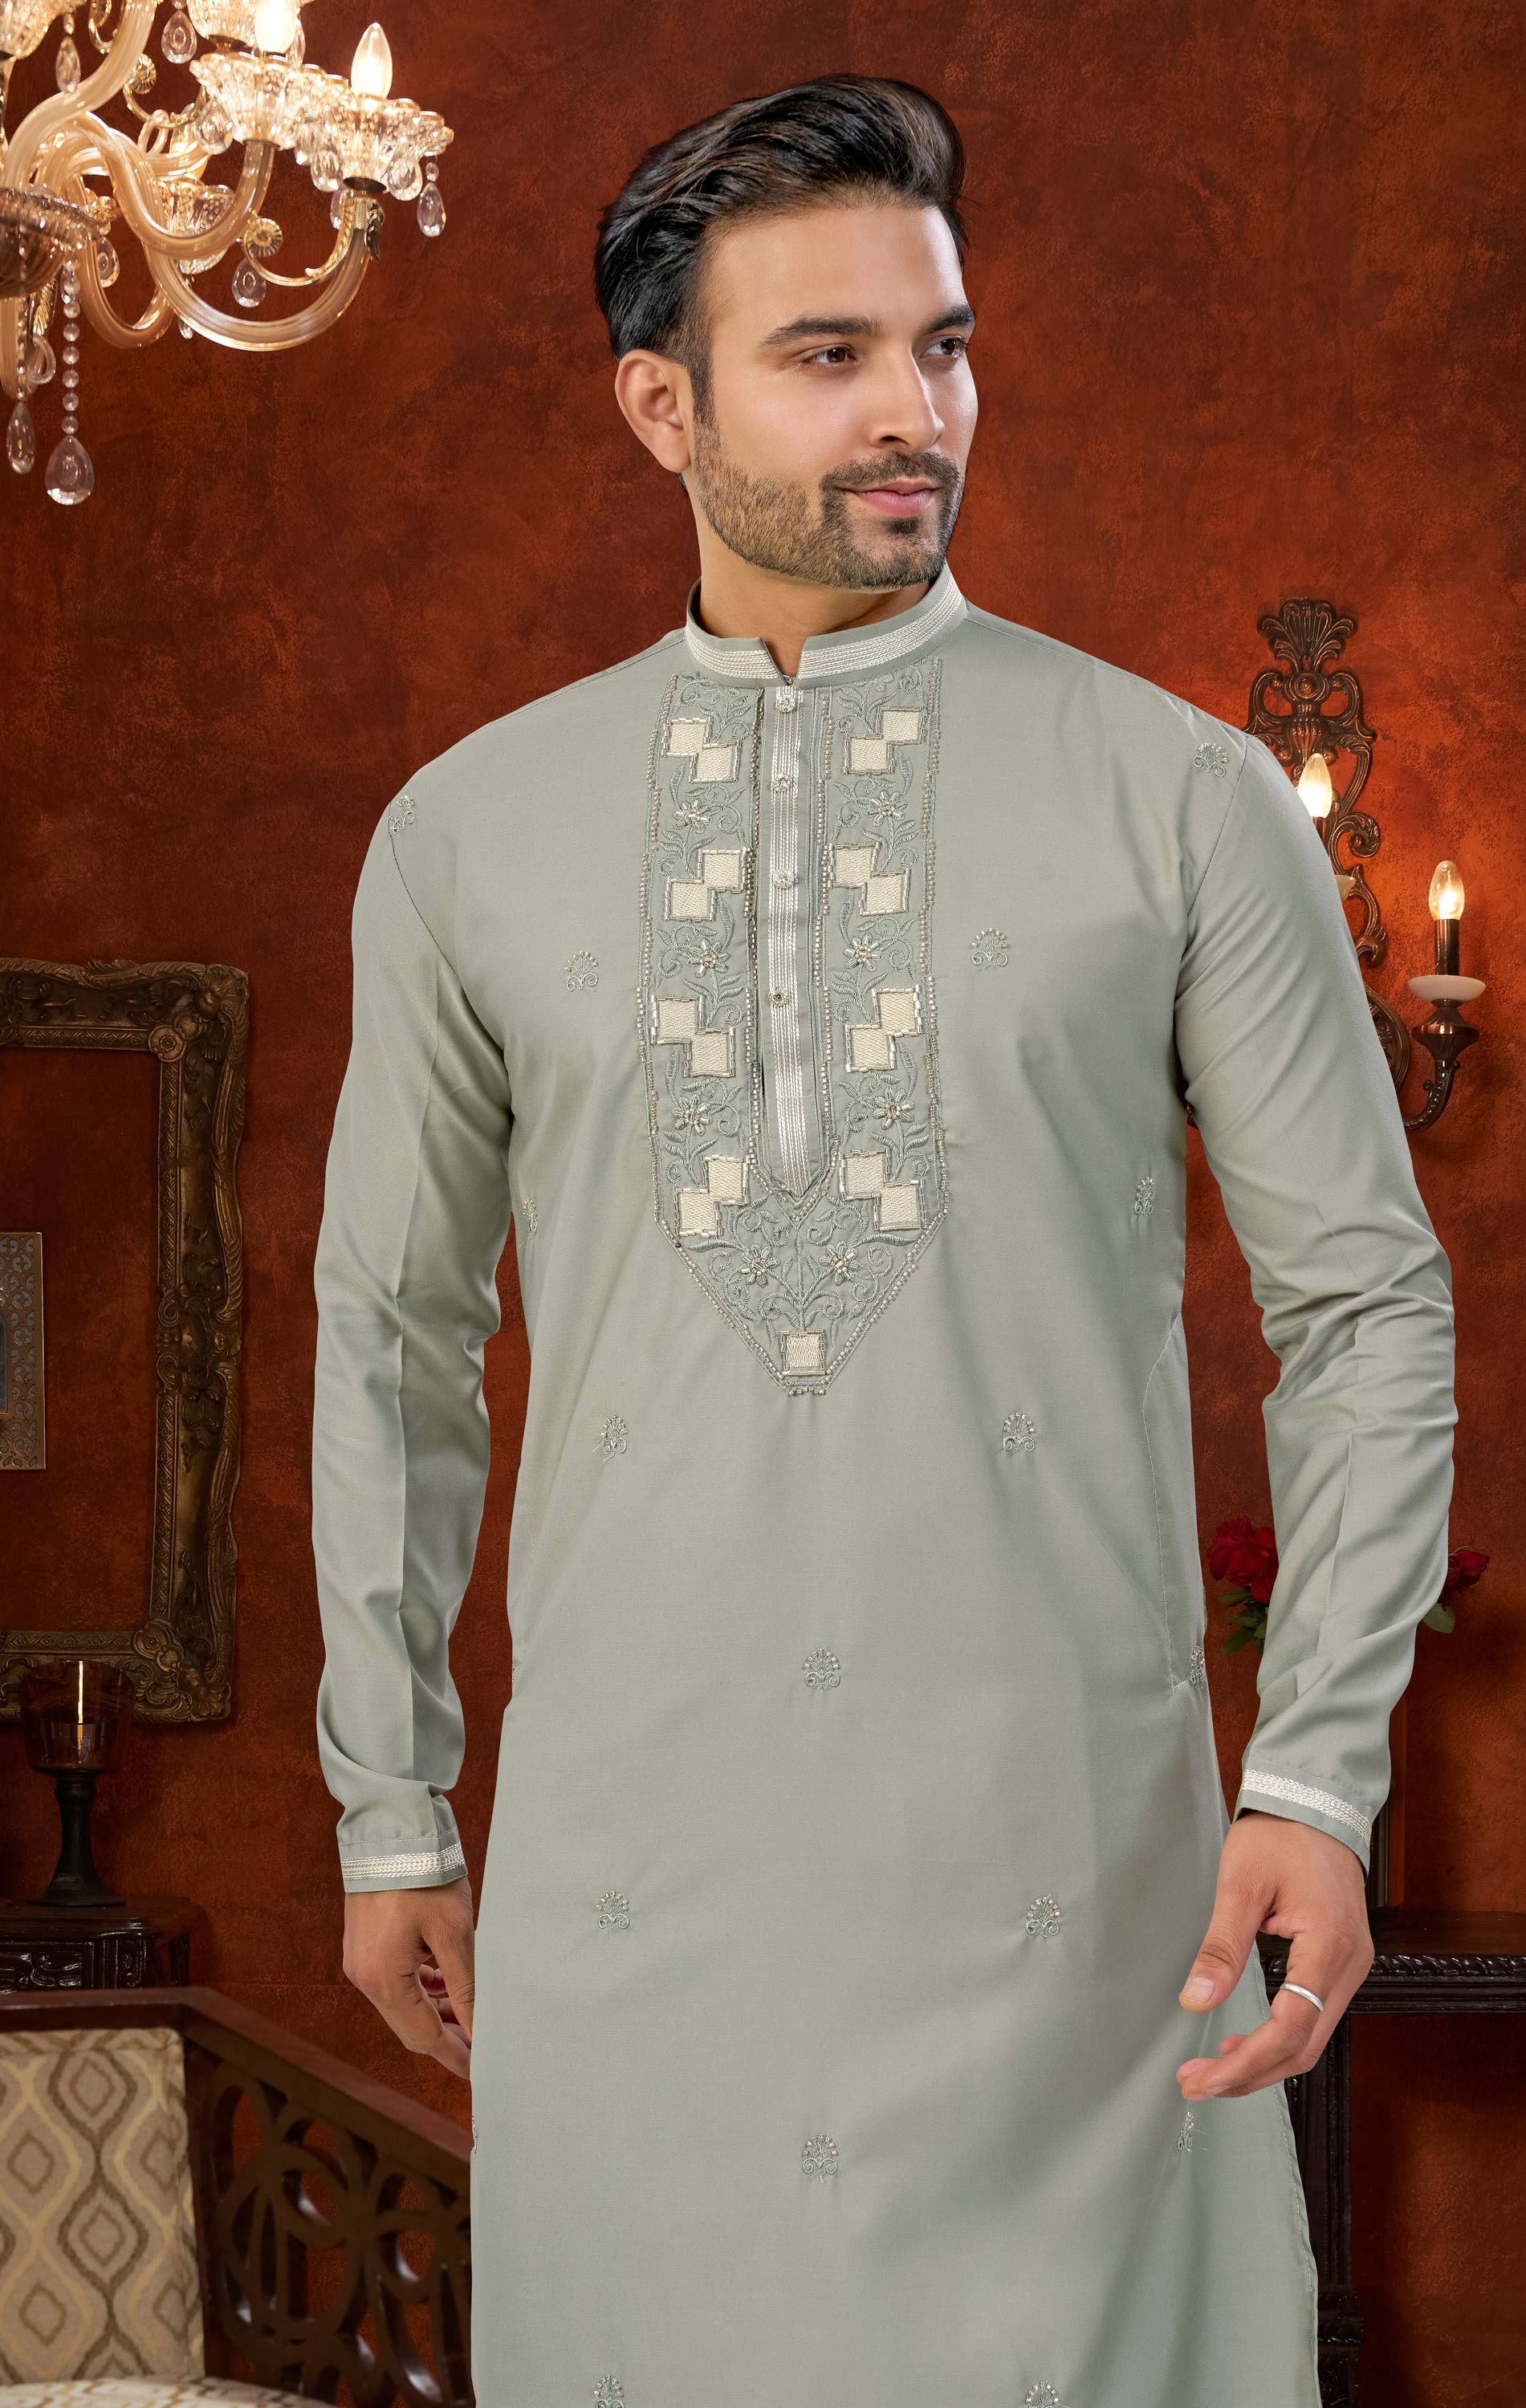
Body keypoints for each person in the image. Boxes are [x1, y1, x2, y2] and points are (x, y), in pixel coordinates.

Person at [310, 71, 1456, 2408]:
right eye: (827, 355)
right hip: (635, 1892)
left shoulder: (1185, 800)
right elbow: (394, 1335)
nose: (912, 411)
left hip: (1078, 1904)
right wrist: (390, 1801)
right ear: (663, 407)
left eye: (940, 347)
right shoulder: (466, 835)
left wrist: (1318, 1775)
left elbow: (1365, 1307)